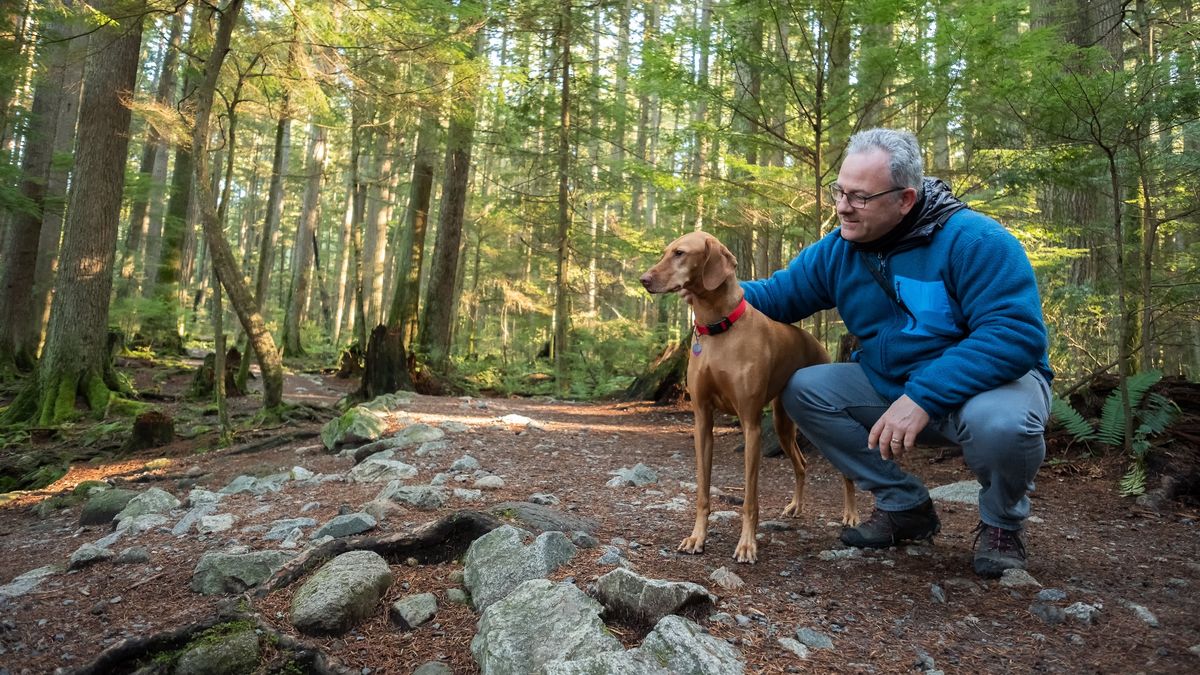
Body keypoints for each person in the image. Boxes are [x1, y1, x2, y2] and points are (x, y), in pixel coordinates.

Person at [739, 128, 1053, 577]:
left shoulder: (976, 241)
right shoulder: (839, 250)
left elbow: (1015, 334)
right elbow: (776, 295)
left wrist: (924, 397)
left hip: (989, 388)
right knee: (805, 388)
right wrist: (705, 282)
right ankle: (904, 506)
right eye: (840, 192)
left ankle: (1001, 524)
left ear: (905, 199)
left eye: (860, 197)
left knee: (1003, 425)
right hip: (892, 383)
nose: (843, 207)